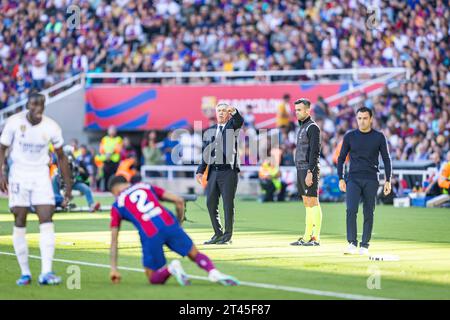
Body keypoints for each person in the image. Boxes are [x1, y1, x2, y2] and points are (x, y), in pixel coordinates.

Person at [107, 175, 239, 286]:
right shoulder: (145, 186)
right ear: (126, 183)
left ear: (114, 191)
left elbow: (114, 240)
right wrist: (178, 225)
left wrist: (113, 269)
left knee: (152, 277)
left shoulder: (118, 204)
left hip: (150, 232)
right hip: (169, 222)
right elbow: (179, 201)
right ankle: (213, 272)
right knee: (194, 253)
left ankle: (172, 268)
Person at [0, 92, 72, 286]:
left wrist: (68, 184)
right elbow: (2, 148)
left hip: (41, 174)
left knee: (47, 217)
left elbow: (61, 156)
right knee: (20, 218)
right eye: (34, 105)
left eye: (41, 105)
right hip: (19, 175)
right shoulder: (14, 122)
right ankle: (25, 273)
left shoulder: (51, 126)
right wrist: (1, 172)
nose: (38, 108)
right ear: (28, 105)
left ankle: (46, 272)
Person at [337, 107, 392, 256]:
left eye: (365, 118)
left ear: (371, 119)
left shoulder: (379, 137)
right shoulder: (349, 136)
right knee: (351, 210)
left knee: (368, 212)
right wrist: (341, 178)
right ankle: (352, 243)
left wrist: (388, 180)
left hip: (371, 179)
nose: (362, 121)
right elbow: (341, 158)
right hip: (353, 178)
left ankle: (365, 245)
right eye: (359, 118)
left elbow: (386, 159)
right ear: (356, 119)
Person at [196, 103, 244, 245]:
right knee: (210, 203)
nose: (221, 113)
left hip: (228, 172)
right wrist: (200, 170)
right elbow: (206, 153)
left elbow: (239, 121)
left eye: (224, 111)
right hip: (213, 173)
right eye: (219, 111)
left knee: (228, 204)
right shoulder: (209, 130)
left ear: (228, 113)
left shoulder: (232, 126)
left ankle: (227, 236)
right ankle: (218, 233)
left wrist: (235, 111)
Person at [290, 98, 323, 247]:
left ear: (308, 111)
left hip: (309, 169)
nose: (297, 112)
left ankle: (315, 237)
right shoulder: (302, 127)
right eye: (296, 110)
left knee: (313, 201)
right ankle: (306, 236)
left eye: (300, 110)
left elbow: (315, 152)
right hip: (300, 168)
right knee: (306, 202)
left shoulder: (313, 127)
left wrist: (311, 172)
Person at [96, 125, 122, 190]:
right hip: (106, 160)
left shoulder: (118, 139)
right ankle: (105, 189)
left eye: (113, 130)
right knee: (105, 176)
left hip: (114, 161)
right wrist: (106, 154)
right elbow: (101, 149)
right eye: (110, 130)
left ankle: (113, 189)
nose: (112, 131)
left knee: (113, 176)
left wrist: (110, 153)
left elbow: (118, 149)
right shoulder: (104, 139)